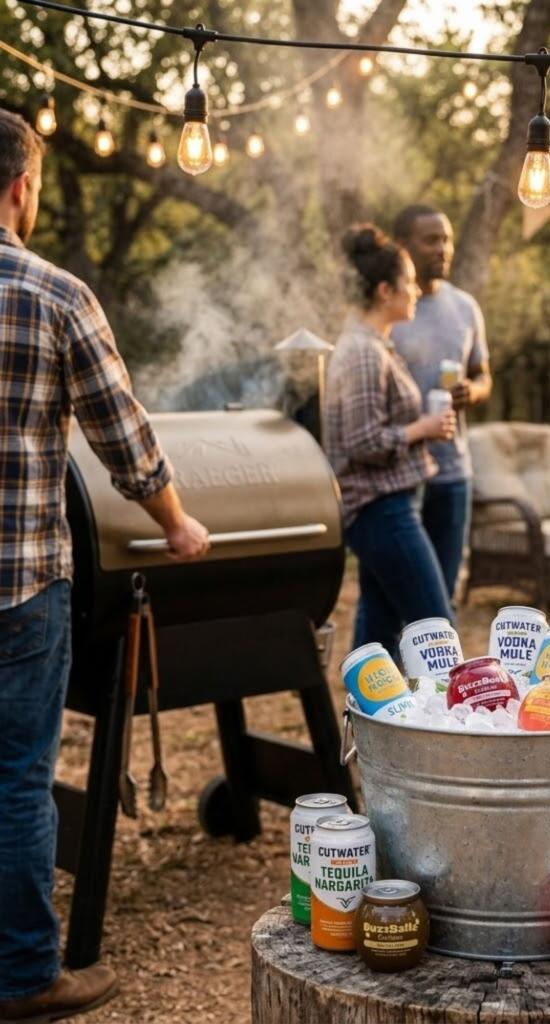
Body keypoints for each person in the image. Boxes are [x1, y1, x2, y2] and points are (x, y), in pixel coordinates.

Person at [0, 110, 210, 1022]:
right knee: (15, 777)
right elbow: (124, 443)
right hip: (18, 583)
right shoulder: (52, 294)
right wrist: (177, 522)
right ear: (19, 188)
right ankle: (22, 976)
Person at [325, 224, 457, 659]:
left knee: (378, 640)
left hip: (387, 506)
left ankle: (363, 724)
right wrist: (425, 428)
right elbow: (363, 441)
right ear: (385, 291)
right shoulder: (362, 351)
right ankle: (458, 725)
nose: (417, 290)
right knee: (439, 633)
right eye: (409, 283)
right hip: (382, 510)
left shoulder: (377, 346)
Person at [391, 205, 491, 600]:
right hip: (402, 474)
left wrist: (474, 390)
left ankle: (435, 665)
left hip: (453, 474)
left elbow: (485, 374)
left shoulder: (465, 307)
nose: (443, 249)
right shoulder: (392, 308)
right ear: (403, 247)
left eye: (446, 239)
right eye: (431, 240)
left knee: (443, 595)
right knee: (394, 594)